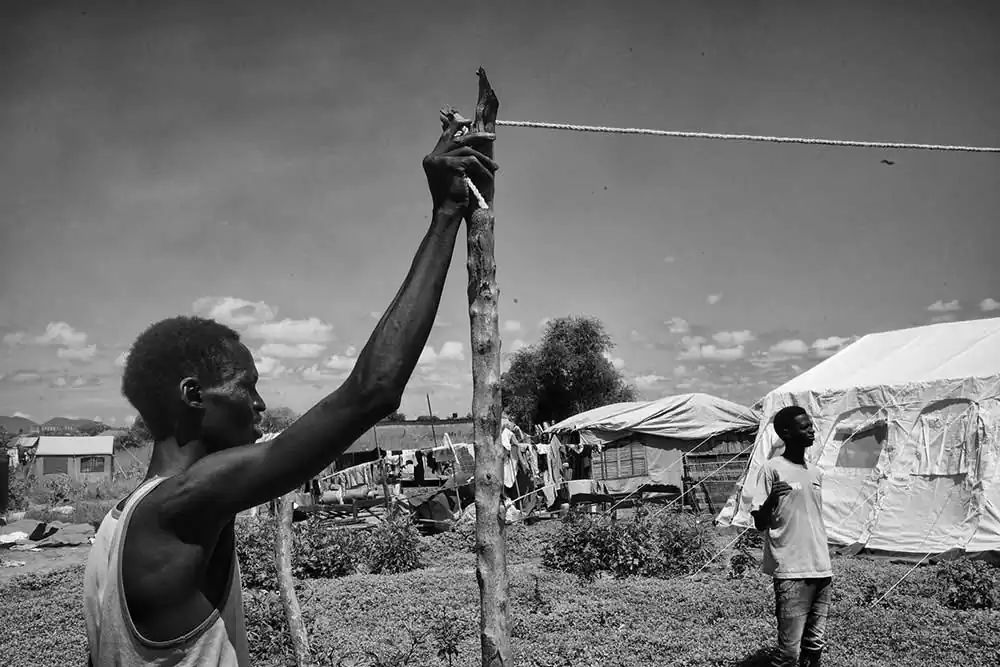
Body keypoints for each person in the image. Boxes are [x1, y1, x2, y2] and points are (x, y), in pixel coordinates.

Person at [83, 113, 498, 666]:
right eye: (246, 388)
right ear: (193, 396)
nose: (259, 406)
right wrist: (446, 215)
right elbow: (373, 391)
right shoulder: (181, 505)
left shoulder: (114, 530)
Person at [751, 405, 832, 667]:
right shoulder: (772, 469)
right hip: (791, 570)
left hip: (821, 568)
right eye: (804, 426)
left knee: (814, 645)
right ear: (786, 433)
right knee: (789, 653)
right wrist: (772, 499)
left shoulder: (816, 472)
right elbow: (759, 522)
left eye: (811, 425)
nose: (811, 430)